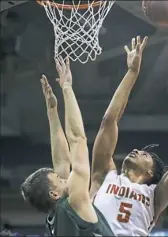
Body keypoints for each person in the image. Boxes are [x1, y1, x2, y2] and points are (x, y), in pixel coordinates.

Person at [90, 35, 168, 236]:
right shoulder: (104, 175)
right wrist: (132, 72)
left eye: (144, 154)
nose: (135, 151)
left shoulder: (155, 195)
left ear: (151, 173)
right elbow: (108, 122)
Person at [20, 57, 114, 237]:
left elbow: (62, 159)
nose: (65, 177)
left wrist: (52, 112)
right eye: (60, 179)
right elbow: (78, 139)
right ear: (54, 194)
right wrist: (67, 88)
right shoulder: (75, 202)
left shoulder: (53, 220)